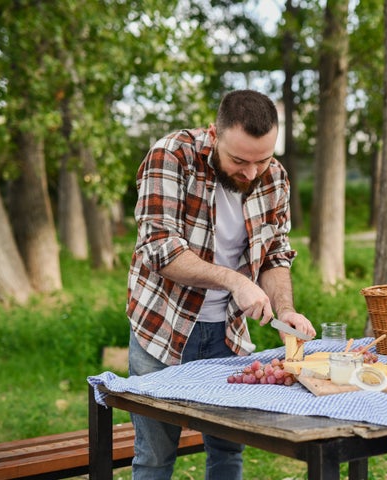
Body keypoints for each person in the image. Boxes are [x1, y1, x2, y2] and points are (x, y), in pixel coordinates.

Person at [126, 89, 316, 480]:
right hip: (164, 332)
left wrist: (285, 311)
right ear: (215, 135)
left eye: (262, 159)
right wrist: (233, 281)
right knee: (155, 457)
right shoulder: (172, 155)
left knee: (228, 453)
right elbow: (159, 248)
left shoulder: (275, 178)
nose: (251, 173)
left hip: (227, 337)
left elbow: (276, 255)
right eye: (239, 160)